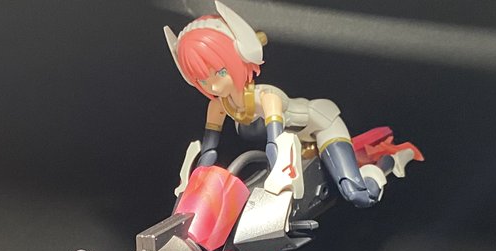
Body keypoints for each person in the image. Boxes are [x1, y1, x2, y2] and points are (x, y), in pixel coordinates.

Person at [164, 1, 384, 208]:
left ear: (241, 55)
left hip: (323, 126)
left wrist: (277, 182)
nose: (213, 85)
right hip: (297, 146)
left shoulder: (266, 98)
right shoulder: (219, 106)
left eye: (220, 72)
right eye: (202, 79)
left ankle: (384, 166)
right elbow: (209, 151)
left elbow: (275, 144)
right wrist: (196, 189)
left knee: (357, 194)